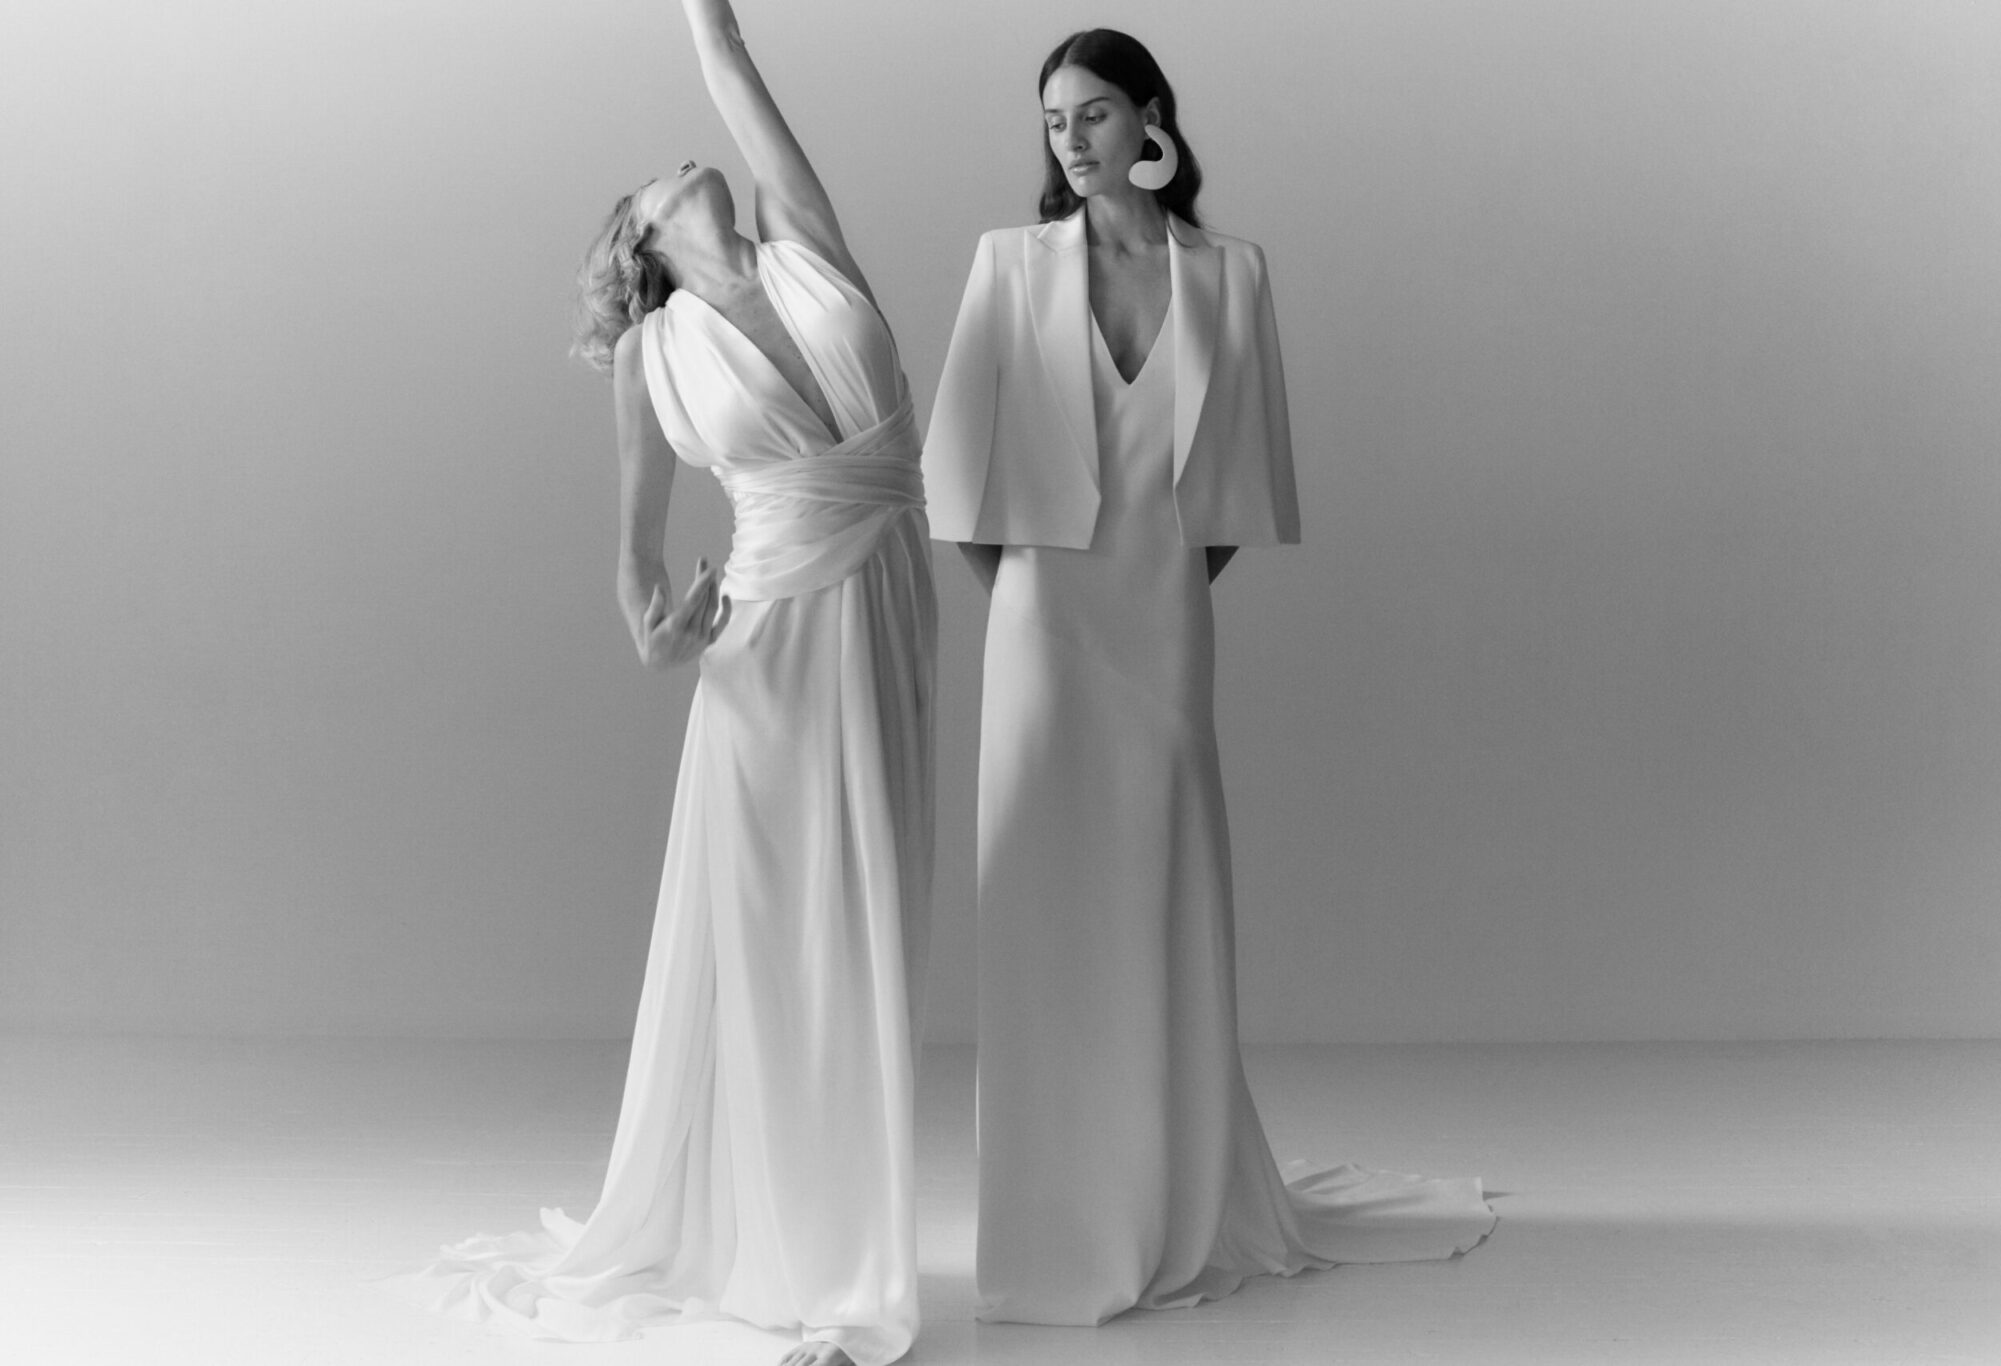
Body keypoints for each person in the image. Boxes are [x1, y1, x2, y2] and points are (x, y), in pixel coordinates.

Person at [922, 27, 1494, 1326]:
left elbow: (1237, 484)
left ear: (1152, 118)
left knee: (1157, 896)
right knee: (1041, 906)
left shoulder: (1230, 273)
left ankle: (1166, 1193)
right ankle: (1051, 1218)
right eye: (1053, 120)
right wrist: (1030, 602)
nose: (1071, 140)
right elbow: (954, 477)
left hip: (1163, 624)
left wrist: (1160, 585)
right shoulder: (1009, 265)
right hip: (1040, 624)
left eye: (1093, 114)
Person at [395, 3, 934, 1364]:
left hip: (886, 610)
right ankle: (817, 1287)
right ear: (638, 239)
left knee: (869, 930)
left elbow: (728, 58)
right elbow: (636, 568)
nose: (682, 158)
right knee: (778, 951)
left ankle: (841, 1251)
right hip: (763, 656)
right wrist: (661, 640)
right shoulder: (655, 351)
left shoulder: (804, 241)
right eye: (654, 175)